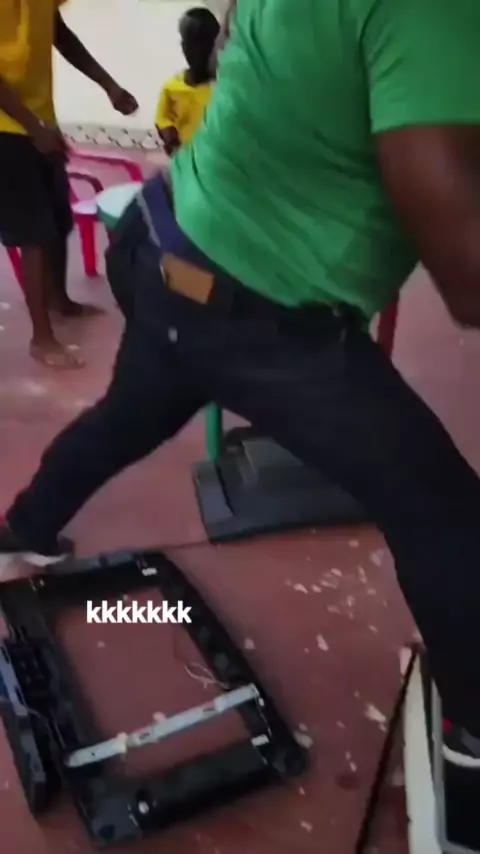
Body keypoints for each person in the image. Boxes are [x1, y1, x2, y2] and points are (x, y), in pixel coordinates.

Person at [1, 0, 480, 770]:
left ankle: (22, 532)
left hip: (162, 238)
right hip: (245, 305)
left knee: (131, 414)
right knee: (444, 512)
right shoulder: (434, 15)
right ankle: (474, 742)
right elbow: (468, 281)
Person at [0, 0, 138, 368]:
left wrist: (109, 85)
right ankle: (41, 339)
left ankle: (60, 301)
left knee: (59, 217)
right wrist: (33, 128)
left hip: (40, 121)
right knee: (33, 233)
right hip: (7, 129)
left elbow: (60, 34)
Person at [155, 7, 219, 156]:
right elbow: (163, 119)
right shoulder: (171, 88)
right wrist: (168, 134)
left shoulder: (223, 89)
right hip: (184, 161)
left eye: (205, 44)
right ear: (183, 47)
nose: (199, 52)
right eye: (192, 44)